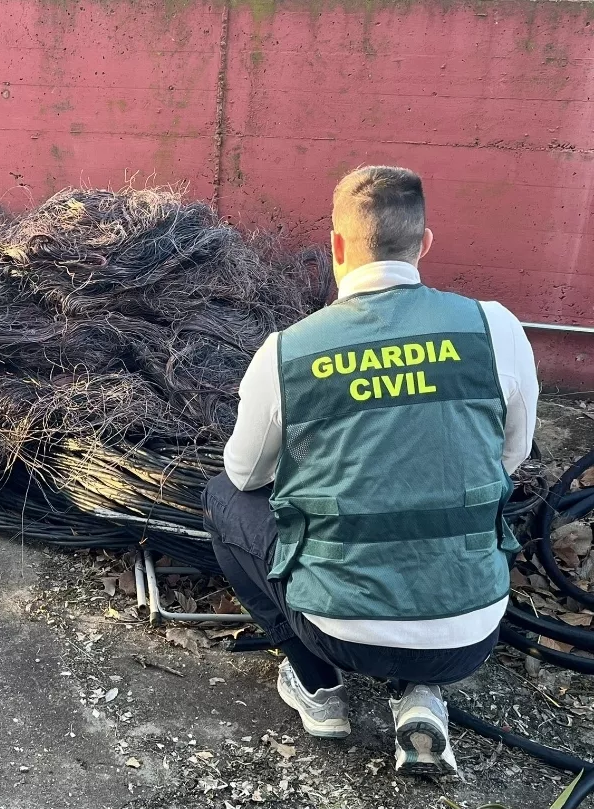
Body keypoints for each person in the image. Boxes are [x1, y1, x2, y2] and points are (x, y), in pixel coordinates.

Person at [204, 166, 538, 775]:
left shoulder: (289, 350)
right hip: (471, 634)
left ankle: (319, 690)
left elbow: (245, 474)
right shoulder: (496, 329)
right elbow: (508, 460)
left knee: (221, 498)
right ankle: (421, 694)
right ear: (424, 243)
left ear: (336, 245)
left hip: (337, 632)